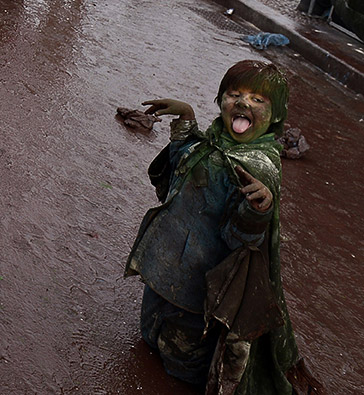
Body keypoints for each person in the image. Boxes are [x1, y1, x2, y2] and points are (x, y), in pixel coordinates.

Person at [128, 61, 319, 393]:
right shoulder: (214, 141)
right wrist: (186, 121)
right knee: (149, 336)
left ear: (275, 116)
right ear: (220, 100)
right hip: (164, 265)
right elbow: (180, 175)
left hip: (199, 287)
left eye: (258, 100)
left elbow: (241, 241)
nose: (243, 102)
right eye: (235, 94)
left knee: (180, 366)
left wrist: (258, 210)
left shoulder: (258, 168)